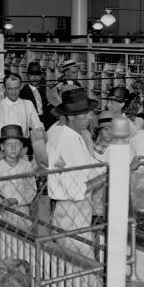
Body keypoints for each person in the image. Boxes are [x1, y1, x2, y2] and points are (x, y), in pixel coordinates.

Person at [44, 88, 104, 258]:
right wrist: (109, 177)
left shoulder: (76, 138)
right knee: (82, 268)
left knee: (77, 267)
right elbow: (77, 190)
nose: (90, 117)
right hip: (72, 214)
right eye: (84, 114)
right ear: (71, 116)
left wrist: (124, 167)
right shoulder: (66, 142)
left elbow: (93, 166)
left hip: (77, 212)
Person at [0, 73, 43, 149]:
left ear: (21, 87)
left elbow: (37, 126)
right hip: (2, 151)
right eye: (10, 89)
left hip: (22, 151)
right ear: (4, 88)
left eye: (16, 88)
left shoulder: (28, 105)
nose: (13, 92)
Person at [21, 61, 50, 125]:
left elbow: (44, 106)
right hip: (32, 121)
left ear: (40, 77)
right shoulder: (24, 91)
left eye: (37, 75)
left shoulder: (41, 90)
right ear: (28, 76)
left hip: (44, 119)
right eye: (32, 75)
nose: (35, 78)